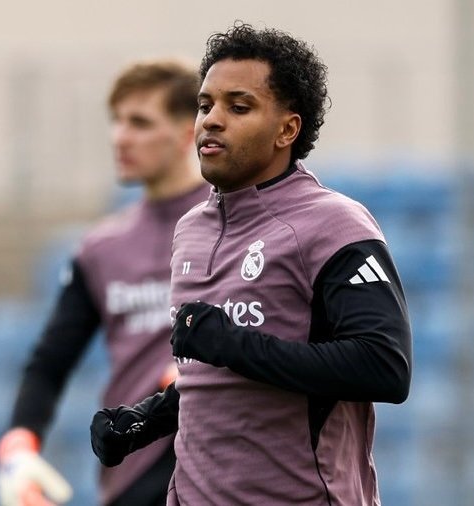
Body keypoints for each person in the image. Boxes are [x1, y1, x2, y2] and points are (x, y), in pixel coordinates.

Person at [90, 23, 413, 505]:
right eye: (205, 106)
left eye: (238, 107)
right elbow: (218, 377)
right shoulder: (192, 230)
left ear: (288, 128)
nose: (212, 120)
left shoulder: (333, 225)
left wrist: (234, 343)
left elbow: (384, 366)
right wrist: (145, 420)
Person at [0, 59, 209, 506]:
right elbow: (49, 363)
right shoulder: (101, 249)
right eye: (116, 122)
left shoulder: (236, 225)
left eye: (140, 123)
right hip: (129, 469)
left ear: (187, 132)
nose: (120, 137)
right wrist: (18, 447)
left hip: (212, 459)